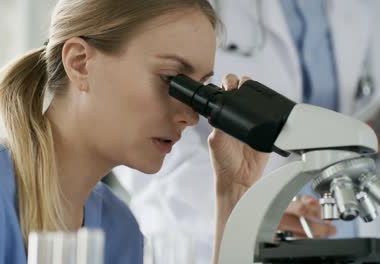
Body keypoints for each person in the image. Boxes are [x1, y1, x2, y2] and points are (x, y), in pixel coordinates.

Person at [0, 0, 273, 263]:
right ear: (80, 63)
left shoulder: (119, 230)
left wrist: (233, 194)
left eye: (201, 89)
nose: (190, 117)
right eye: (171, 80)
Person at [114, 0, 380, 263]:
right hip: (203, 230)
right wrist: (244, 204)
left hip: (345, 219)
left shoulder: (363, 8)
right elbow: (143, 130)